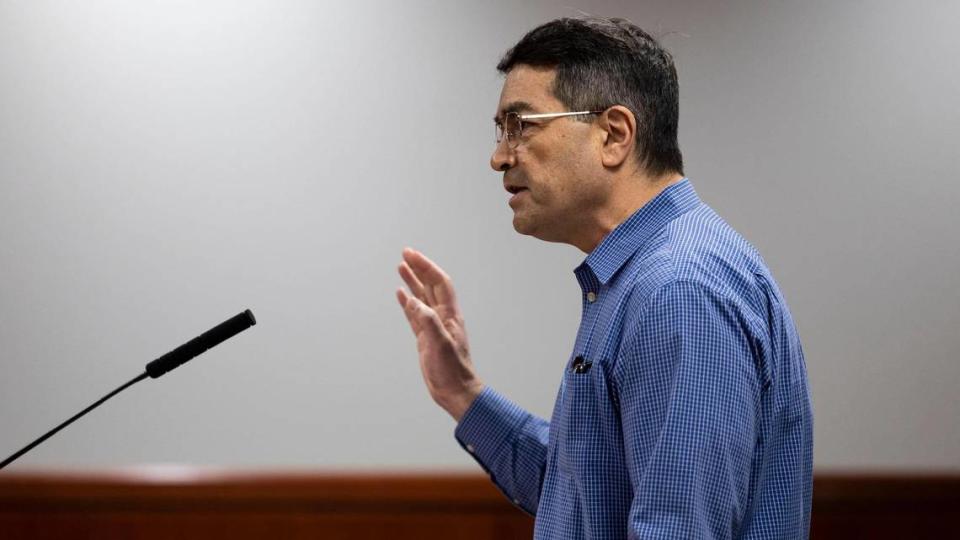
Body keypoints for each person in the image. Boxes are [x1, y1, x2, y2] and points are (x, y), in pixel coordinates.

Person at [396, 16, 812, 540]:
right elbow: (587, 495)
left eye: (521, 126)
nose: (499, 157)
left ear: (614, 134)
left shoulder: (679, 290)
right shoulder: (642, 278)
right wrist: (462, 393)